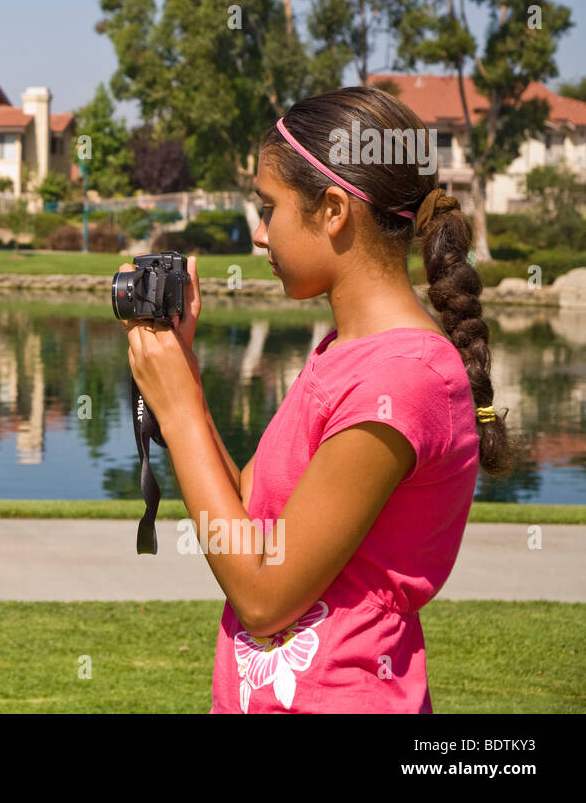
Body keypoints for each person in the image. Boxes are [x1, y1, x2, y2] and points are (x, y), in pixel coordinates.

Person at [122, 85, 518, 713]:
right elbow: (248, 519)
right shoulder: (344, 352)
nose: (258, 235)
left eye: (269, 208)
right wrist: (183, 383)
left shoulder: (402, 380)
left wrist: (176, 411)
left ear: (333, 210)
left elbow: (263, 597)